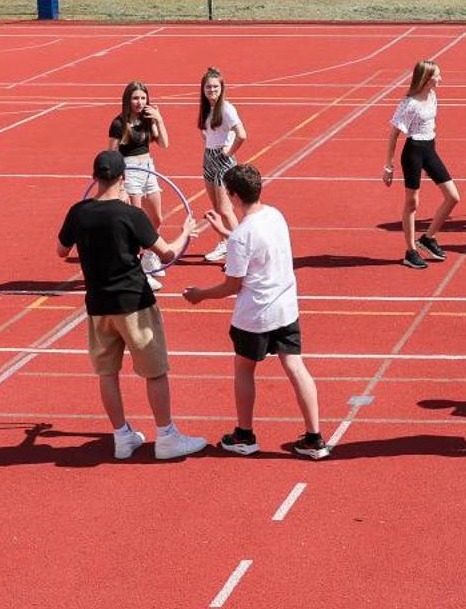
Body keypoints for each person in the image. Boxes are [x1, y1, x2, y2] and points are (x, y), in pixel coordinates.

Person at [55, 149, 207, 461]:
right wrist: (185, 233)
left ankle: (121, 436)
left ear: (95, 178)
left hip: (98, 304)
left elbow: (60, 250)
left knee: (107, 374)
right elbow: (166, 254)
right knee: (155, 372)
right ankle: (166, 436)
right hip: (134, 303)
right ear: (123, 178)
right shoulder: (130, 215)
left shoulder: (78, 212)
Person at [182, 162, 329, 460]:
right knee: (296, 367)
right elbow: (252, 239)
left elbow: (232, 285)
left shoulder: (240, 236)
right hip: (285, 309)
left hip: (255, 316)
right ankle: (314, 438)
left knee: (244, 368)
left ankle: (244, 435)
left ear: (233, 196)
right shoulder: (275, 215)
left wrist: (200, 295)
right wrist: (226, 231)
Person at [383, 59, 460, 270]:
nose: (440, 78)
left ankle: (428, 238)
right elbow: (393, 134)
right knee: (412, 203)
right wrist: (389, 167)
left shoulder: (433, 95)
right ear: (426, 78)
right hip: (414, 152)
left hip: (429, 149)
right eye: (437, 75)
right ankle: (410, 251)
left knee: (453, 196)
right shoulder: (410, 104)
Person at [109, 81, 169, 289]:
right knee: (135, 225)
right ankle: (137, 272)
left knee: (156, 218)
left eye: (143, 98)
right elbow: (111, 155)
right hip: (130, 171)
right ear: (127, 100)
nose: (140, 102)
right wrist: (121, 185)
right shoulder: (118, 124)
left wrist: (159, 120)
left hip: (148, 168)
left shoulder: (147, 120)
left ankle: (149, 256)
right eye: (135, 98)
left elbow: (164, 144)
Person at [197, 68, 247, 265]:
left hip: (222, 160)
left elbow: (242, 134)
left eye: (215, 87)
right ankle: (224, 243)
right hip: (209, 157)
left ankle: (240, 251)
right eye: (208, 87)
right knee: (217, 208)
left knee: (226, 210)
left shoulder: (226, 109)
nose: (212, 90)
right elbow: (206, 131)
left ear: (222, 88)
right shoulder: (207, 109)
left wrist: (228, 151)